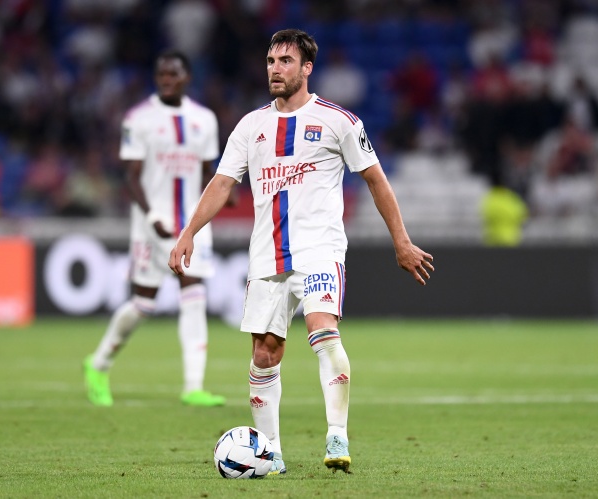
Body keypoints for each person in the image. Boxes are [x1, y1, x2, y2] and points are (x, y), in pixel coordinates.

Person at [169, 29, 434, 475]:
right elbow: (222, 183)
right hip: (267, 254)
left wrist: (401, 241)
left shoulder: (339, 121)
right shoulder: (250, 126)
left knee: (322, 330)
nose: (275, 69)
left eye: (285, 61)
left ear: (307, 68)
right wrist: (188, 232)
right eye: (270, 61)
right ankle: (270, 453)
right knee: (264, 354)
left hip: (319, 249)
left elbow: (376, 179)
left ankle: (337, 435)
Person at [83, 50, 228, 408]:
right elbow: (130, 178)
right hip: (152, 224)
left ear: (187, 77)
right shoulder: (139, 119)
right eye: (161, 74)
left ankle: (193, 386)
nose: (166, 80)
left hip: (192, 223)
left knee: (194, 295)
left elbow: (208, 171)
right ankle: (98, 363)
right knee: (143, 304)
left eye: (173, 74)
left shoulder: (205, 119)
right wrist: (151, 218)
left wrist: (227, 194)